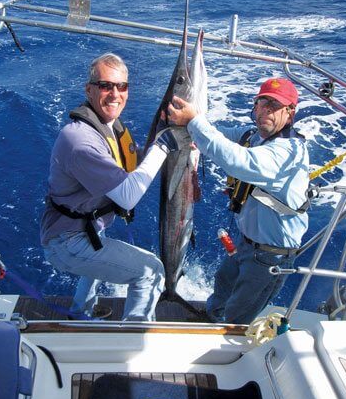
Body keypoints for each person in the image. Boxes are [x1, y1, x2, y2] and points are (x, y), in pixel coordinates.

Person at [41, 52, 180, 321]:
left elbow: (130, 159)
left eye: (122, 86)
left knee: (95, 265)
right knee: (151, 271)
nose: (115, 94)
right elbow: (128, 197)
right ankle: (132, 342)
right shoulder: (80, 140)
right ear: (89, 89)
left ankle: (79, 315)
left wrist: (167, 150)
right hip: (67, 241)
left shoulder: (108, 125)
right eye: (106, 85)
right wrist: (163, 147)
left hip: (86, 229)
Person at [168, 77, 309, 324]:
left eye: (274, 106)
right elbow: (216, 138)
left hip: (270, 256)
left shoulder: (286, 152)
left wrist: (193, 121)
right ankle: (211, 319)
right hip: (247, 244)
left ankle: (225, 347)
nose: (265, 111)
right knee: (223, 282)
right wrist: (190, 128)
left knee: (239, 314)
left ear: (290, 113)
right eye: (261, 104)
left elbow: (237, 160)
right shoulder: (254, 136)